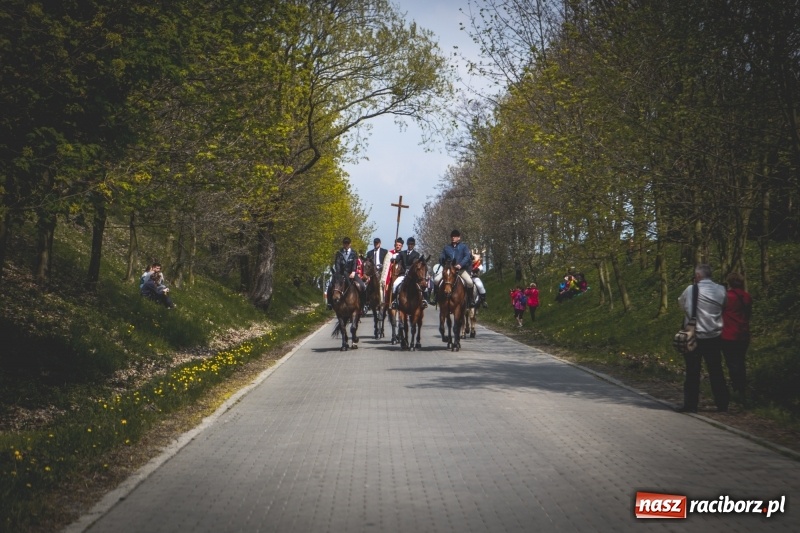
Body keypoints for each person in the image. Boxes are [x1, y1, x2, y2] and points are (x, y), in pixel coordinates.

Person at [677, 264, 729, 413]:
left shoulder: (691, 289)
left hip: (693, 336)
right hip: (714, 336)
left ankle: (691, 405)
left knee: (692, 371)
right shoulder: (721, 289)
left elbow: (682, 304)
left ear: (698, 276)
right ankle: (722, 403)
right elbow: (725, 305)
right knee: (716, 370)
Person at [721, 272, 752, 406]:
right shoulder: (746, 297)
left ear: (730, 283)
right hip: (743, 334)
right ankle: (741, 388)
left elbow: (720, 312)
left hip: (728, 334)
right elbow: (748, 314)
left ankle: (737, 388)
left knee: (732, 363)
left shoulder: (727, 297)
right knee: (740, 361)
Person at [433, 230, 475, 308]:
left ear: (459, 238)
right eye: (452, 236)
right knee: (436, 280)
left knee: (470, 282)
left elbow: (467, 257)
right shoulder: (446, 247)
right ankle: (435, 298)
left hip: (460, 270)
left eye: (455, 236)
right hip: (449, 270)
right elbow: (442, 256)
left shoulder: (464, 247)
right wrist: (442, 259)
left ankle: (470, 300)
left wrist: (460, 264)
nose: (453, 238)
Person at [326, 237, 366, 311]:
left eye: (347, 243)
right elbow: (337, 263)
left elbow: (355, 263)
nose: (346, 245)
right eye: (345, 243)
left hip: (351, 273)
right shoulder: (339, 253)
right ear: (343, 244)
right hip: (341, 273)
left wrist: (353, 271)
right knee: (331, 285)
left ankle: (363, 304)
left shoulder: (354, 253)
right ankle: (330, 303)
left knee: (362, 286)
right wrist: (338, 273)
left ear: (350, 244)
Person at [391, 237, 428, 309]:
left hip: (412, 276)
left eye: (412, 244)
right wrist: (393, 258)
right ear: (407, 244)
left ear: (414, 245)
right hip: (403, 274)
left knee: (423, 286)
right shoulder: (402, 253)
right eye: (409, 244)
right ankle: (395, 301)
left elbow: (415, 262)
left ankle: (424, 300)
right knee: (395, 285)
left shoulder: (416, 254)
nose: (410, 245)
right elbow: (398, 259)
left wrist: (409, 269)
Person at [382, 237, 404, 304]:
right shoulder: (390, 253)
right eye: (397, 245)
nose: (398, 246)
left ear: (402, 246)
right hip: (390, 275)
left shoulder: (403, 254)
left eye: (399, 245)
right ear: (394, 245)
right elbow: (386, 266)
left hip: (400, 274)